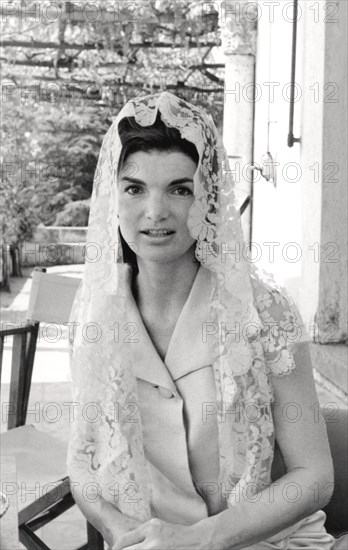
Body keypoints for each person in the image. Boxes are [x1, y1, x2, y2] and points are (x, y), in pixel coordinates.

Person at [67, 92, 335, 549]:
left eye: (179, 188)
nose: (155, 212)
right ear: (113, 198)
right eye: (135, 188)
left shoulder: (263, 312)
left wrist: (202, 539)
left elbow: (314, 476)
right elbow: (82, 462)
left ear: (208, 198)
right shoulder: (96, 311)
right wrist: (116, 529)